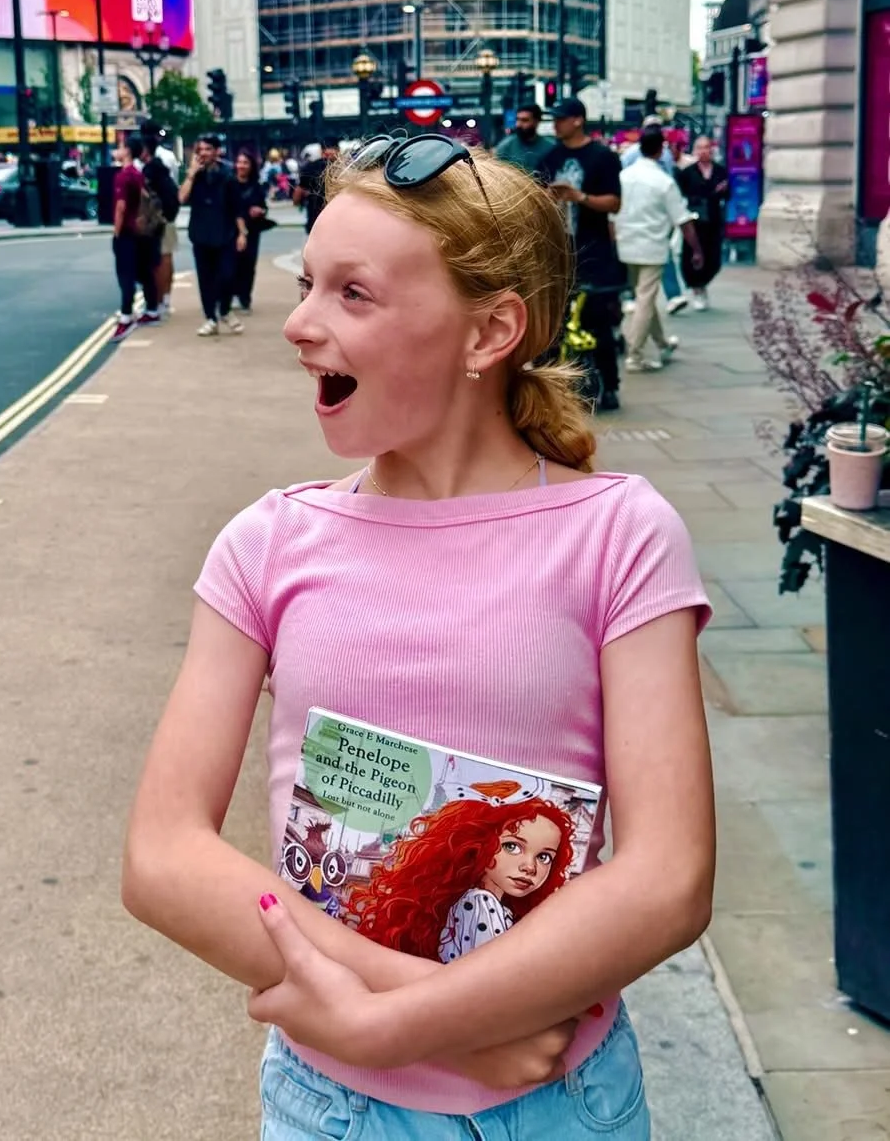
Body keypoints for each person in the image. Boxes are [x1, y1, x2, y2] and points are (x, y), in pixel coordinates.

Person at [123, 133, 714, 1140]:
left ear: (490, 333)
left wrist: (388, 1024)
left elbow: (669, 877)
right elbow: (163, 855)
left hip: (563, 1108)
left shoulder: (619, 535)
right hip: (332, 1105)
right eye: (308, 284)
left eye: (353, 295)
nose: (300, 325)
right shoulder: (265, 546)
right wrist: (418, 1023)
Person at [346, 795, 575, 963]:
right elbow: (497, 983)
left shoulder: (493, 907)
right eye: (512, 846)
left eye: (544, 857)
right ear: (477, 845)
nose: (530, 867)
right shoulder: (480, 903)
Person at [542, 98, 626, 412]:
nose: (555, 124)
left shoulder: (602, 157)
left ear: (578, 120)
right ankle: (554, 386)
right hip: (560, 253)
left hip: (594, 252)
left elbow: (615, 203)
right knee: (555, 323)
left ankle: (610, 385)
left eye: (561, 119)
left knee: (597, 320)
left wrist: (580, 197)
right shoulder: (551, 156)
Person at [615, 130, 705, 374]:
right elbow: (682, 220)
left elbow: (613, 214)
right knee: (645, 299)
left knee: (644, 297)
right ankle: (634, 355)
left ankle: (662, 343)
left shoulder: (624, 176)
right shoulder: (664, 182)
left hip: (625, 245)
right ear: (660, 150)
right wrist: (696, 250)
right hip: (652, 247)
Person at [179, 133, 248, 337]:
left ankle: (225, 310)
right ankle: (211, 318)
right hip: (200, 234)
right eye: (200, 150)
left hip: (225, 234)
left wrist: (242, 233)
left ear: (217, 151)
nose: (204, 153)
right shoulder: (195, 176)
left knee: (227, 276)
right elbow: (182, 198)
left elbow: (237, 208)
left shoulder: (228, 175)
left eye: (208, 149)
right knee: (205, 279)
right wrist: (191, 173)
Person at [110, 134, 162, 344]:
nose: (117, 150)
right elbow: (146, 197)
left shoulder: (122, 176)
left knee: (126, 276)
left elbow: (121, 207)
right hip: (141, 232)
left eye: (120, 147)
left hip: (127, 233)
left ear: (127, 151)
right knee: (143, 271)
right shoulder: (137, 174)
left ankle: (126, 317)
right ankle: (151, 309)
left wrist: (116, 232)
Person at [677, 138, 729, 310]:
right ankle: (697, 289)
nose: (703, 151)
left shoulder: (720, 171)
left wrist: (722, 191)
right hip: (694, 221)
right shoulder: (688, 172)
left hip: (714, 219)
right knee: (693, 256)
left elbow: (728, 194)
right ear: (694, 150)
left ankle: (704, 282)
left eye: (706, 147)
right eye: (699, 148)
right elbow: (681, 196)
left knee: (714, 257)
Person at [138, 120, 181, 321]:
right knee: (166, 257)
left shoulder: (143, 160)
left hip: (152, 217)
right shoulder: (169, 156)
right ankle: (165, 299)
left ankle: (157, 301)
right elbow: (174, 183)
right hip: (168, 214)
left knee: (156, 260)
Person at [232, 150, 270, 312]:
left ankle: (245, 297)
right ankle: (231, 294)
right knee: (231, 263)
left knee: (248, 263)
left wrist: (260, 211)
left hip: (252, 229)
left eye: (245, 163)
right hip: (231, 228)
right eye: (239, 162)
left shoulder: (256, 187)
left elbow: (264, 207)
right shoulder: (230, 183)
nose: (241, 166)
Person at [494, 102, 555, 182]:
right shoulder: (505, 147)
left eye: (524, 120)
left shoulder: (550, 147)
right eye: (517, 119)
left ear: (536, 122)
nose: (518, 124)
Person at [294, 138, 339, 233]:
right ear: (338, 150)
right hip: (339, 218)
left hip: (316, 218)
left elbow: (298, 193)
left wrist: (299, 201)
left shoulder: (310, 167)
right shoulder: (346, 167)